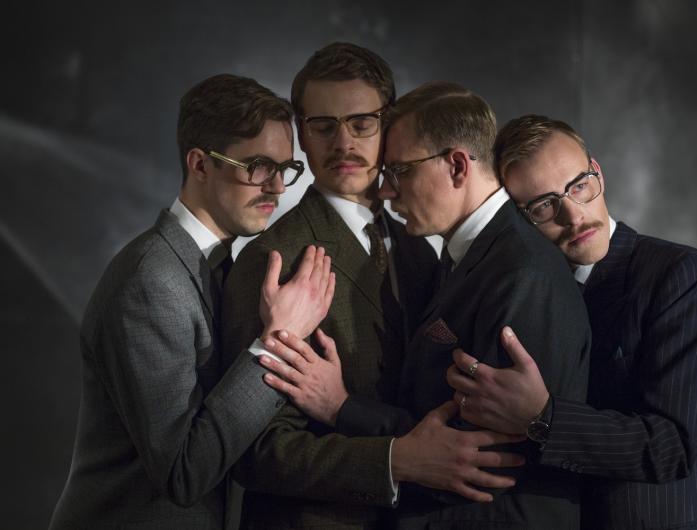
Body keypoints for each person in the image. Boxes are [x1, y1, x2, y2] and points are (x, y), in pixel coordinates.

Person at [222, 44, 523, 529]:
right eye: (323, 126)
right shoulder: (271, 259)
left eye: (361, 123)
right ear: (302, 134)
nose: (343, 143)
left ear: (390, 123)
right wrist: (394, 461)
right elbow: (255, 452)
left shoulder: (422, 246)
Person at [49, 74, 334, 530]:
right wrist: (279, 341)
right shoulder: (151, 283)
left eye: (286, 168)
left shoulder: (218, 266)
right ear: (200, 164)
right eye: (259, 166)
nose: (278, 187)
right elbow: (183, 473)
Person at [448, 114, 697, 529]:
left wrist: (541, 415)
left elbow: (672, 447)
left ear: (597, 172)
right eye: (544, 205)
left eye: (579, 185)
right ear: (517, 218)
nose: (573, 215)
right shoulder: (525, 292)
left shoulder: (683, 276)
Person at [375, 82, 591, 528]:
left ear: (457, 165)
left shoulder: (521, 272)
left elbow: (473, 461)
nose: (385, 192)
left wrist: (339, 406)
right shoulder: (465, 254)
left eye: (399, 171)